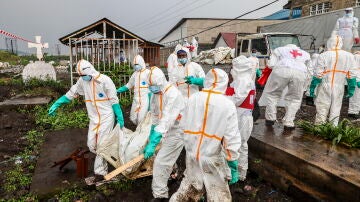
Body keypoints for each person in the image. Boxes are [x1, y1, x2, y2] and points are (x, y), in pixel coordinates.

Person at [170, 68, 241, 202]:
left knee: (188, 189)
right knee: (218, 195)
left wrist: (189, 145)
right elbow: (231, 138)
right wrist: (232, 163)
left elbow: (182, 126)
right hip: (212, 158)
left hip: (192, 155)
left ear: (207, 81)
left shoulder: (193, 98)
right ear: (224, 83)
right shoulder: (227, 104)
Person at [48, 59, 124, 179]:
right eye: (80, 76)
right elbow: (71, 94)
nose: (82, 77)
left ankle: (100, 172)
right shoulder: (82, 82)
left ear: (91, 72)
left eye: (84, 75)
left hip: (106, 117)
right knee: (91, 145)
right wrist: (57, 104)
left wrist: (120, 117)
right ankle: (109, 154)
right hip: (94, 118)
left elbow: (114, 101)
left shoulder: (104, 80)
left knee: (101, 145)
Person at [142, 66, 185, 201]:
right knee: (164, 157)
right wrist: (151, 136)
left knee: (160, 162)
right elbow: (155, 116)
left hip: (178, 130)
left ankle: (160, 195)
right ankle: (173, 174)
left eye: (153, 85)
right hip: (165, 129)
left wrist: (155, 140)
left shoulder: (173, 94)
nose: (151, 88)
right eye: (149, 85)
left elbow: (166, 119)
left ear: (160, 82)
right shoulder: (156, 94)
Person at [259, 44, 310, 130]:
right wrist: (306, 85)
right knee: (295, 98)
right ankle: (289, 122)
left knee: (272, 94)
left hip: (281, 69)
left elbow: (271, 65)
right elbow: (310, 70)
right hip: (301, 72)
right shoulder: (306, 54)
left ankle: (270, 118)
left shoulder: (279, 49)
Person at [309, 35, 357, 125]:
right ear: (341, 44)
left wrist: (313, 87)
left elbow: (318, 74)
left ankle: (319, 126)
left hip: (325, 85)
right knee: (336, 107)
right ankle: (332, 127)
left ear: (329, 43)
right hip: (339, 85)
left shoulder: (323, 55)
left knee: (322, 106)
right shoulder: (350, 56)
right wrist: (351, 88)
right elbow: (352, 75)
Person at [228, 56, 256, 181]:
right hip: (243, 115)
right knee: (240, 145)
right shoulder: (245, 79)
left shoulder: (243, 80)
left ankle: (238, 174)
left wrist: (224, 99)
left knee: (239, 144)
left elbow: (237, 99)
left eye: (233, 67)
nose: (231, 70)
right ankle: (240, 173)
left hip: (242, 117)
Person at [117, 55, 150, 125]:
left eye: (137, 64)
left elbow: (153, 85)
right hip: (136, 98)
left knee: (142, 117)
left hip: (145, 98)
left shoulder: (148, 73)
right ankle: (138, 129)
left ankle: (142, 131)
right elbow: (129, 84)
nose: (135, 66)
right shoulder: (135, 74)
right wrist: (120, 90)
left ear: (141, 63)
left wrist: (150, 98)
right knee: (133, 117)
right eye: (134, 65)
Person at [348, 52, 360, 119]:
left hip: (354, 83)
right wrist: (358, 81)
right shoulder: (355, 68)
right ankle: (353, 112)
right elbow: (355, 75)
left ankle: (355, 111)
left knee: (356, 98)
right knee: (355, 98)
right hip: (355, 84)